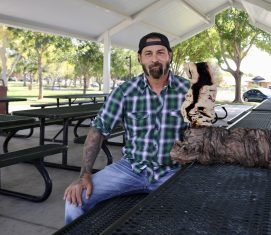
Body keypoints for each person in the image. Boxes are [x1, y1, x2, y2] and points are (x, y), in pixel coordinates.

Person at [63, 32, 190, 224]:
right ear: (140, 58)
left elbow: (204, 134)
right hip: (131, 169)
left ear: (169, 55)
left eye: (160, 52)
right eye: (148, 53)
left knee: (201, 209)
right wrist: (84, 175)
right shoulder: (125, 91)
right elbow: (98, 131)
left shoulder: (189, 90)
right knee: (74, 201)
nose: (154, 59)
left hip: (173, 171)